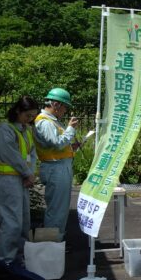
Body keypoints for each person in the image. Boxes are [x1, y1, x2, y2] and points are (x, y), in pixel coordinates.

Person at [0, 96, 41, 279]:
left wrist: (30, 173)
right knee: (12, 221)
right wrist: (27, 173)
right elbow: (10, 154)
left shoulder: (26, 131)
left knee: (23, 221)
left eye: (33, 116)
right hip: (7, 180)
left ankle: (17, 259)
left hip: (21, 180)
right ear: (18, 111)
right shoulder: (5, 129)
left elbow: (32, 154)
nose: (30, 119)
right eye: (28, 115)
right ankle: (3, 260)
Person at [33, 87, 80, 239]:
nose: (65, 111)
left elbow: (57, 145)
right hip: (56, 168)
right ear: (56, 104)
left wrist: (71, 147)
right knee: (57, 209)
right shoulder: (44, 122)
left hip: (58, 166)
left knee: (59, 207)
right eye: (65, 107)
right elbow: (57, 143)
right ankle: (52, 242)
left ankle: (55, 240)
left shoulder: (52, 122)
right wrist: (71, 128)